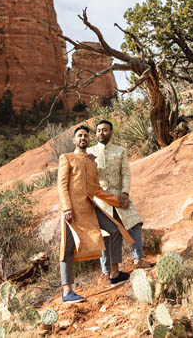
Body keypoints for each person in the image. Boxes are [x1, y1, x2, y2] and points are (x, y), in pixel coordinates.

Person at [57, 124, 134, 303]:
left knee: (115, 229)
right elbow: (61, 186)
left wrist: (117, 200)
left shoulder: (92, 163)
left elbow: (96, 189)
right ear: (74, 140)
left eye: (85, 136)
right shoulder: (66, 158)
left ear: (88, 140)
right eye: (80, 136)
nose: (83, 138)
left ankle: (114, 273)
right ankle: (67, 291)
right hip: (72, 211)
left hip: (90, 208)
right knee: (67, 248)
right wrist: (67, 207)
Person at [87, 119, 148, 273]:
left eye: (105, 130)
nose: (101, 133)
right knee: (105, 234)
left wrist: (125, 193)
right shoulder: (90, 152)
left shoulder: (119, 150)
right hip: (100, 199)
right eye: (99, 130)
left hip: (118, 195)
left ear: (111, 132)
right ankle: (107, 270)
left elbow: (125, 173)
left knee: (134, 223)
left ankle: (138, 259)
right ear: (95, 133)